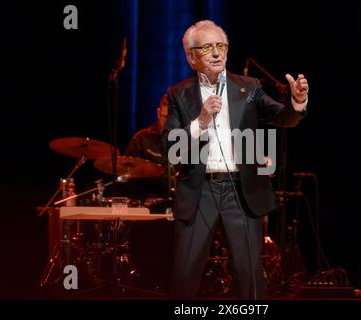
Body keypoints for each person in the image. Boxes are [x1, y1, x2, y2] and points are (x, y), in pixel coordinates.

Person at [162, 20, 309, 300]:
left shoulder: (250, 87)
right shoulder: (179, 94)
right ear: (191, 57)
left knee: (249, 275)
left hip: (240, 191)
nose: (217, 53)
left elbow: (283, 117)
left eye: (221, 46)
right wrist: (201, 121)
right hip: (199, 190)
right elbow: (171, 149)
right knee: (184, 274)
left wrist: (297, 102)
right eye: (207, 48)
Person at [125, 94, 172, 200]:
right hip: (146, 203)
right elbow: (125, 171)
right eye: (165, 117)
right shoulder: (142, 139)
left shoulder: (186, 141)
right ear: (158, 113)